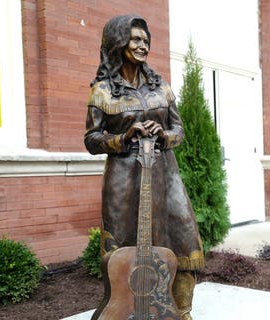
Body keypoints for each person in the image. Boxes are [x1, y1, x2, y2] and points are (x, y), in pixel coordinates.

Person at [84, 14, 203, 320]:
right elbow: (92, 140)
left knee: (183, 238)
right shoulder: (103, 91)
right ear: (118, 42)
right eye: (135, 39)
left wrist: (164, 134)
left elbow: (179, 131)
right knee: (123, 249)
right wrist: (123, 137)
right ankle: (126, 308)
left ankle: (180, 312)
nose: (142, 45)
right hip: (123, 181)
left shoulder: (160, 86)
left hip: (165, 174)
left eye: (145, 40)